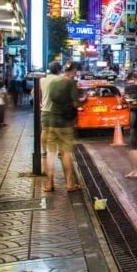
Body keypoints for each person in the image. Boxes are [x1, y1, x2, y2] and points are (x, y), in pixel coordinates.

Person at [44, 61, 83, 193]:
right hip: (65, 122)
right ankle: (70, 184)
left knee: (51, 153)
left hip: (53, 120)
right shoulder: (71, 83)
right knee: (66, 152)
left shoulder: (54, 83)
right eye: (75, 71)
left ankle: (49, 184)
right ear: (73, 71)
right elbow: (76, 103)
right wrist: (84, 100)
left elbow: (51, 99)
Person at [40, 61, 63, 158]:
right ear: (59, 69)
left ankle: (43, 151)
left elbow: (33, 92)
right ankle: (60, 152)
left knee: (45, 131)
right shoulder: (61, 79)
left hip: (45, 110)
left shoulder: (42, 80)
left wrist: (40, 102)